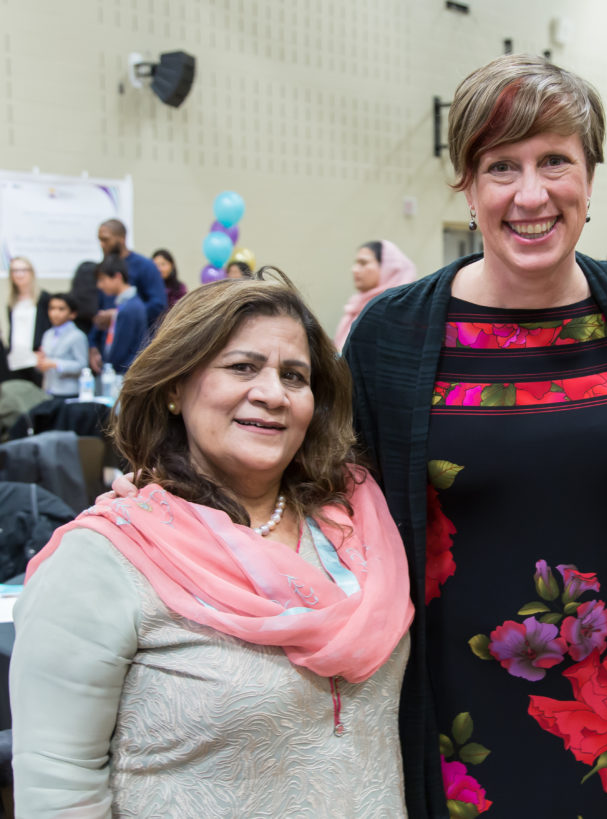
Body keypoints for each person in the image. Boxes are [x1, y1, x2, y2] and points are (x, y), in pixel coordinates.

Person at [343, 54, 607, 818]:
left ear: (590, 178)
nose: (530, 193)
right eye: (501, 166)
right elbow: (328, 505)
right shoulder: (392, 335)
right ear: (467, 187)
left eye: (554, 162)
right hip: (461, 717)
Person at [11, 271, 414, 816]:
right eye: (242, 367)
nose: (272, 393)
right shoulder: (104, 559)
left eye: (294, 376)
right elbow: (60, 787)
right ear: (175, 386)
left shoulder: (354, 526)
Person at [332, 240, 416, 349]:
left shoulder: (399, 312)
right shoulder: (355, 307)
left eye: (363, 263)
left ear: (388, 268)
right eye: (356, 263)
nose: (354, 269)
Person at [96, 219, 167, 327]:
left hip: (137, 337)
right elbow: (101, 306)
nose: (101, 244)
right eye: (100, 240)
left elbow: (158, 305)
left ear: (122, 239)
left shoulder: (145, 266)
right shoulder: (104, 267)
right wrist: (94, 340)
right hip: (110, 338)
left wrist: (120, 315)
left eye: (105, 240)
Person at [92, 254, 149, 374]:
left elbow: (120, 352)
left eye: (102, 279)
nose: (99, 285)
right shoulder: (125, 306)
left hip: (122, 373)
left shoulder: (130, 308)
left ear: (117, 277)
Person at [6, 256, 50, 385]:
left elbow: (48, 326)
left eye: (23, 270)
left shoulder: (43, 298)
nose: (19, 274)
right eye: (15, 271)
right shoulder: (11, 301)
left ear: (31, 272)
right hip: (16, 357)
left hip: (36, 357)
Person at [34, 293, 89, 397]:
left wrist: (56, 364)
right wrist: (40, 363)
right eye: (52, 308)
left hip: (68, 392)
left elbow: (82, 365)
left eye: (61, 309)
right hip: (48, 390)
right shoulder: (47, 334)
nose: (55, 313)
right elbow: (44, 362)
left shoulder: (77, 336)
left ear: (72, 313)